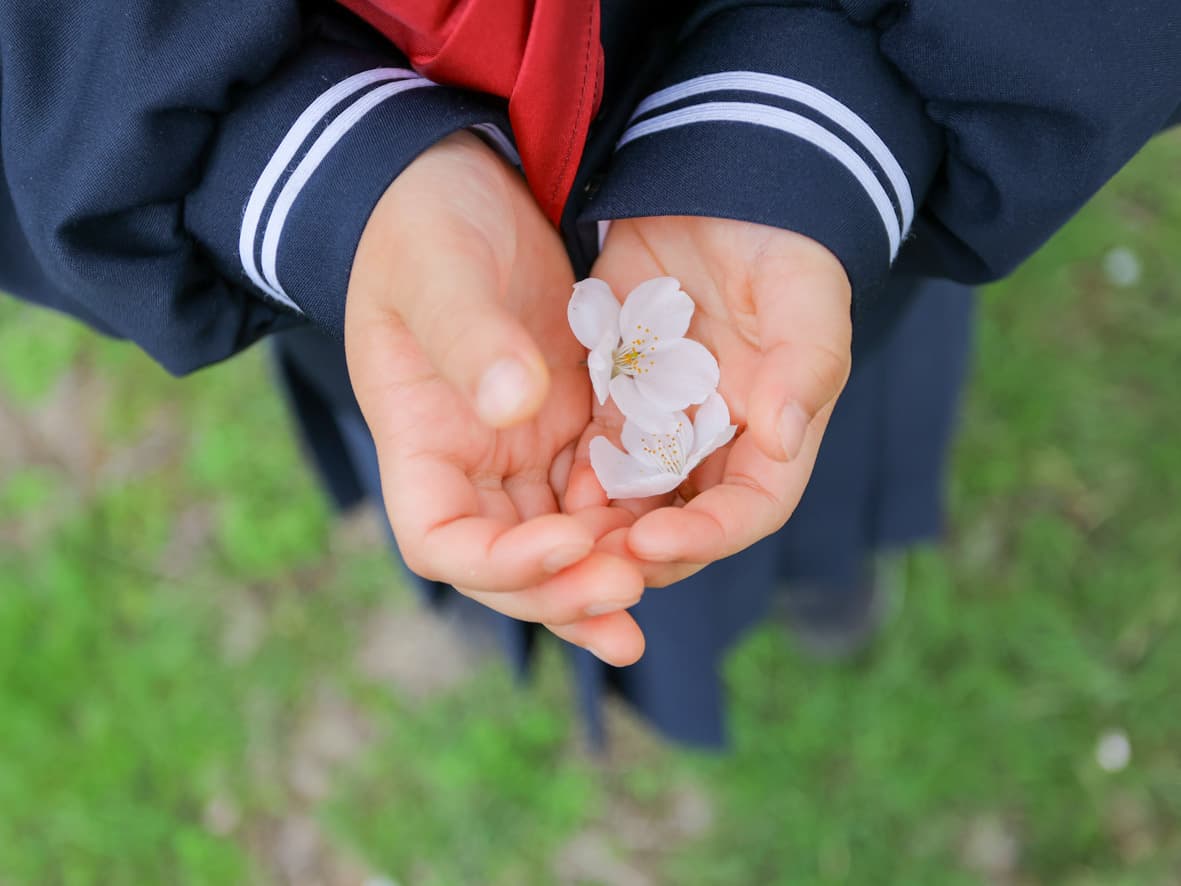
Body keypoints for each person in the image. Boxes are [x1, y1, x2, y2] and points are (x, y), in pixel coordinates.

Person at [2, 1, 1178, 747]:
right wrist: (304, 169)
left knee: (791, 413)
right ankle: (510, 621)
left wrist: (817, 116)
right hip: (358, 203)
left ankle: (826, 570)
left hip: (809, 186)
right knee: (474, 441)